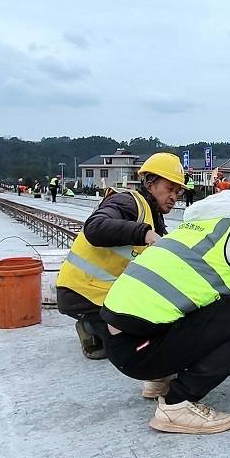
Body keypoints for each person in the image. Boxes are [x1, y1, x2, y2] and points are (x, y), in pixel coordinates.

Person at [100, 166, 230, 434]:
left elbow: (210, 311)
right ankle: (177, 403)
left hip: (121, 341)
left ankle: (160, 379)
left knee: (219, 305)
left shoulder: (199, 224)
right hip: (139, 351)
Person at [57, 152, 185, 361]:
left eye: (178, 191)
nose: (174, 196)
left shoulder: (154, 216)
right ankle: (90, 326)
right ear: (150, 184)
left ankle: (100, 328)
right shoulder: (127, 202)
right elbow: (95, 227)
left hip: (105, 293)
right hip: (82, 293)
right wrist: (144, 233)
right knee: (139, 345)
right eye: (170, 188)